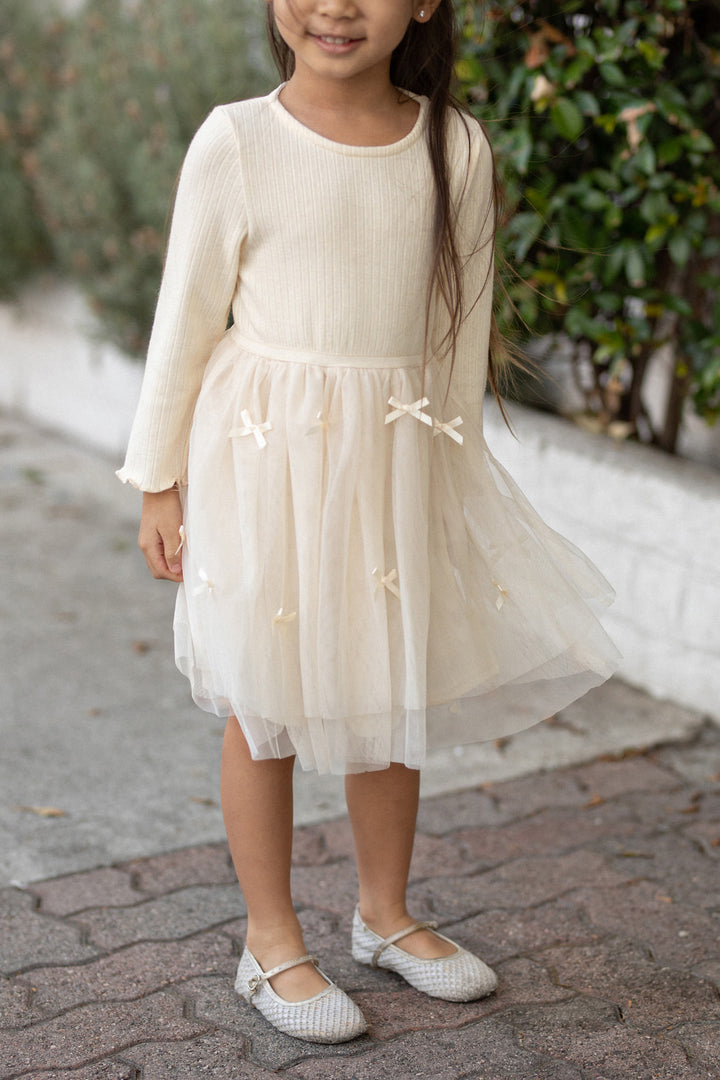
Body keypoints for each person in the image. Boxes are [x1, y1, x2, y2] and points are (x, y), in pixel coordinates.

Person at [117, 0, 620, 1045]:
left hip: (395, 455)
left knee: (386, 682)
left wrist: (450, 475)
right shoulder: (238, 140)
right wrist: (158, 480)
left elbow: (460, 320)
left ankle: (384, 915)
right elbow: (185, 318)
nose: (337, 6)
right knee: (266, 699)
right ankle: (269, 939)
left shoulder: (456, 146)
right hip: (268, 463)